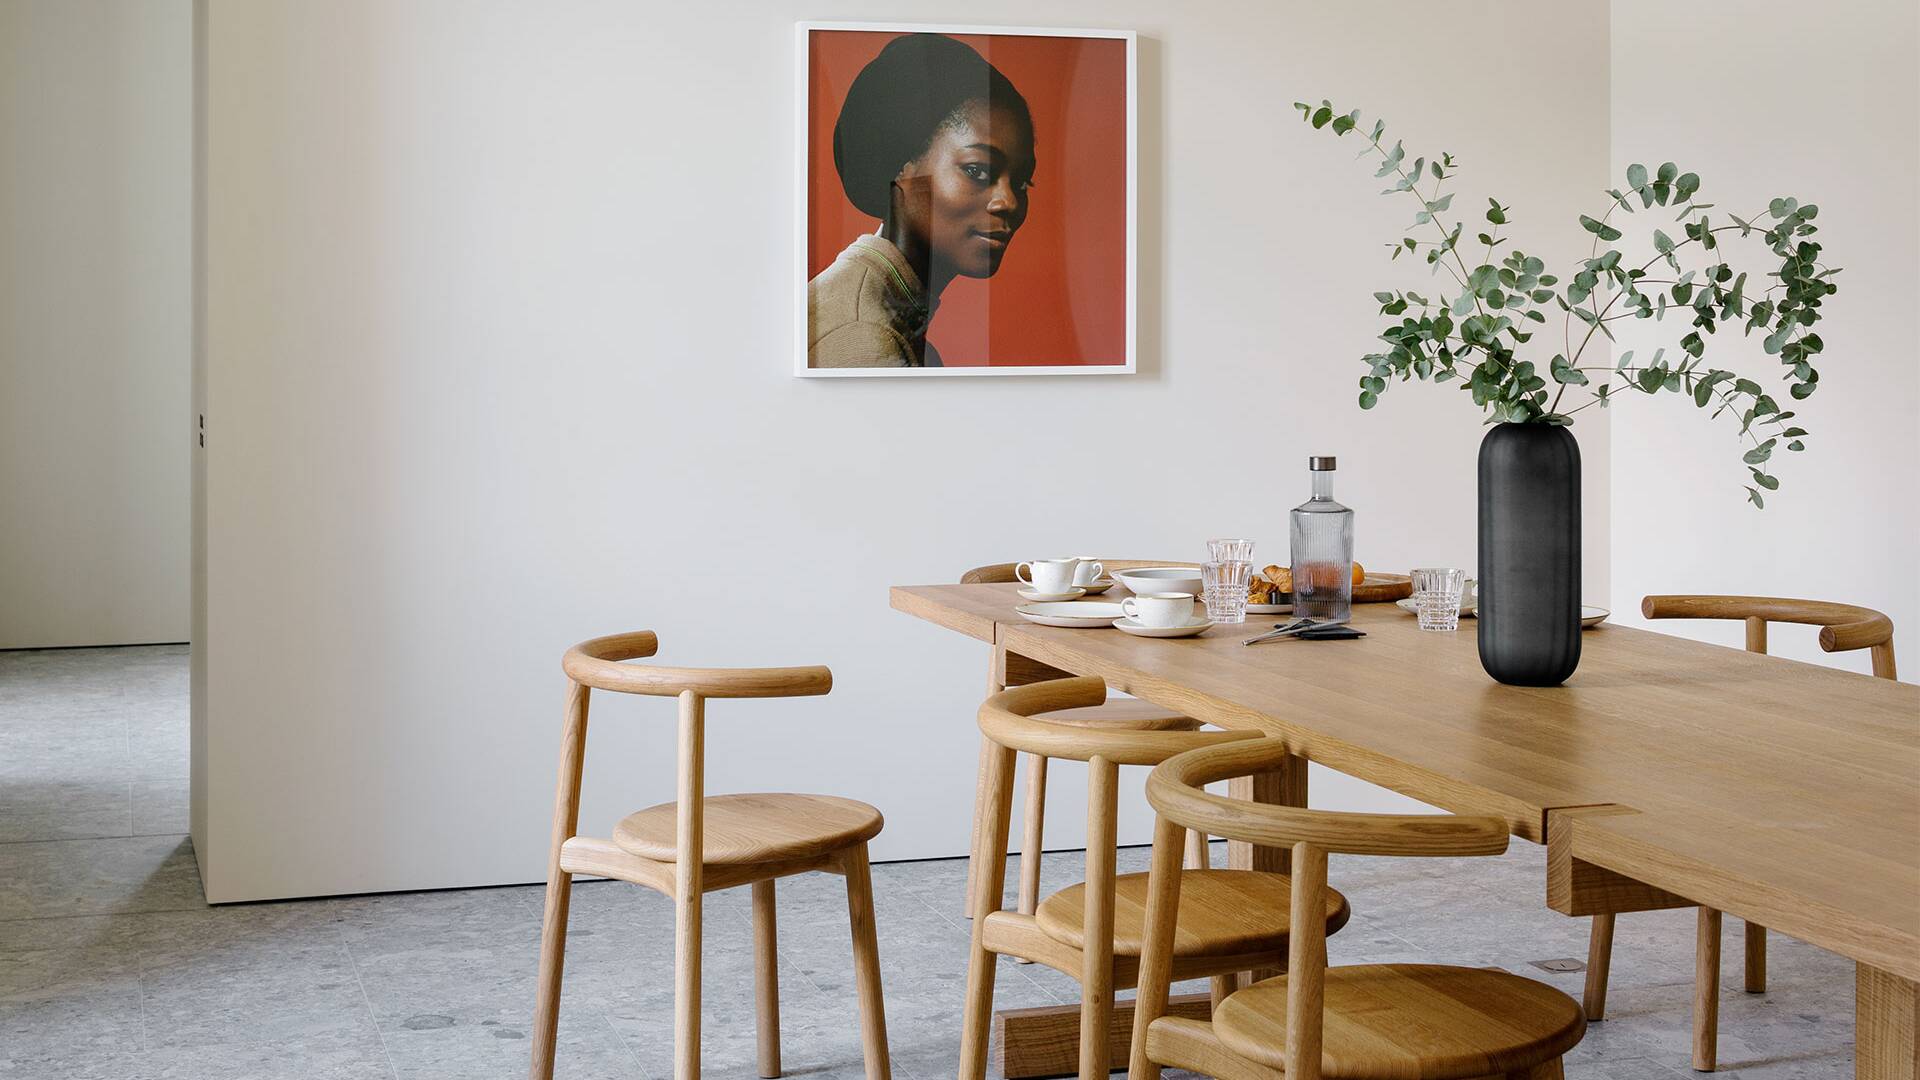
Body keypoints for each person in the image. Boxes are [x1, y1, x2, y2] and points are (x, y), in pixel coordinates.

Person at [808, 33, 1036, 368]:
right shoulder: (862, 337)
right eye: (978, 170)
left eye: (1022, 182)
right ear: (902, 165)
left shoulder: (883, 314)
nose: (1009, 202)